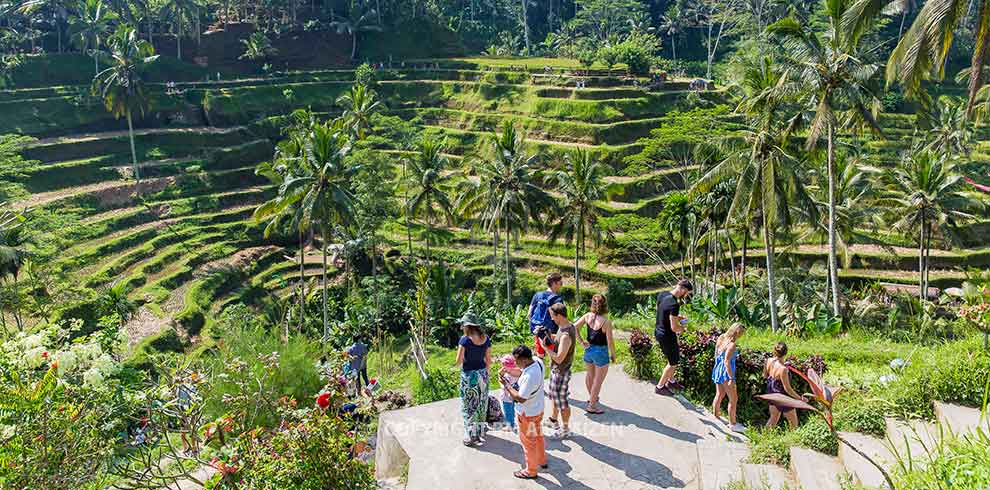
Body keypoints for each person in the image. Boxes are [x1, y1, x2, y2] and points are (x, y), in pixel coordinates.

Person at [501, 345, 547, 480]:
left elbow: (520, 398)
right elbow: (522, 373)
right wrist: (510, 372)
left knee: (528, 443)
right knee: (538, 435)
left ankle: (531, 471)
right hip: (538, 409)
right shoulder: (537, 362)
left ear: (524, 360)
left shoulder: (529, 376)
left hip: (527, 413)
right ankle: (542, 460)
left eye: (517, 361)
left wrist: (506, 385)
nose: (516, 364)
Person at [454, 312, 492, 446]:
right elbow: (488, 360)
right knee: (481, 403)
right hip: (483, 374)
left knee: (468, 405)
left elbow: (458, 361)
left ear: (466, 325)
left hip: (469, 377)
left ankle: (471, 435)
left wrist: (458, 361)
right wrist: (487, 375)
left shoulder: (465, 340)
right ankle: (480, 430)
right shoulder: (486, 338)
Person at [576, 294, 615, 414]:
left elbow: (574, 327)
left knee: (590, 376)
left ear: (592, 304)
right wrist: (613, 355)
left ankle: (592, 397)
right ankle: (592, 406)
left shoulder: (587, 316)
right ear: (605, 306)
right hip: (601, 352)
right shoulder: (606, 322)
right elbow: (610, 342)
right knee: (598, 380)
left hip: (589, 350)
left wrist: (582, 342)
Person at [541, 302, 575, 439]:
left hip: (561, 371)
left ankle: (566, 429)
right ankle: (553, 420)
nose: (552, 319)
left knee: (562, 401)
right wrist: (552, 337)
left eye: (553, 316)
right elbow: (561, 340)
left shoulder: (566, 335)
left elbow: (560, 358)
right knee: (554, 396)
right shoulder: (566, 326)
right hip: (557, 370)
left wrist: (546, 349)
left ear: (559, 315)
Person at [654, 279, 694, 396]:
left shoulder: (663, 294)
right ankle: (660, 387)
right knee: (673, 362)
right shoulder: (674, 304)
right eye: (686, 293)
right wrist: (684, 329)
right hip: (667, 335)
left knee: (671, 358)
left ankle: (671, 381)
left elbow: (661, 311)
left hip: (658, 331)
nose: (686, 295)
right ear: (682, 289)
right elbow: (674, 328)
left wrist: (676, 317)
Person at [711, 323, 746, 432]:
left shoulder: (721, 337)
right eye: (741, 334)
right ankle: (733, 424)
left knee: (719, 394)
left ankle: (715, 415)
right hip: (727, 373)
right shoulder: (732, 344)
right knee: (733, 399)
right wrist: (731, 378)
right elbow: (727, 361)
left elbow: (716, 354)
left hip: (718, 369)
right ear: (737, 333)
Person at [764, 342, 805, 429]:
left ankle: (763, 437)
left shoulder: (768, 361)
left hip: (771, 392)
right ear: (786, 353)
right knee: (794, 423)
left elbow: (765, 376)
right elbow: (787, 389)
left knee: (773, 418)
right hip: (782, 396)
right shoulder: (783, 369)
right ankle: (793, 441)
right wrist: (800, 399)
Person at [528, 273, 564, 359]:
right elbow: (561, 318)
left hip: (538, 330)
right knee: (555, 357)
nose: (561, 285)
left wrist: (536, 326)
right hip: (552, 333)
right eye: (560, 283)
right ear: (554, 283)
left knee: (540, 356)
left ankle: (539, 371)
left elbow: (529, 314)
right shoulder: (557, 299)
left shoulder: (538, 295)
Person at [498, 354, 522, 432]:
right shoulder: (518, 372)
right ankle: (519, 423)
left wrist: (500, 375)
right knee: (517, 409)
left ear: (504, 365)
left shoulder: (506, 375)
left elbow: (503, 385)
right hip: (516, 395)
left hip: (506, 397)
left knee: (508, 411)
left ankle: (510, 425)